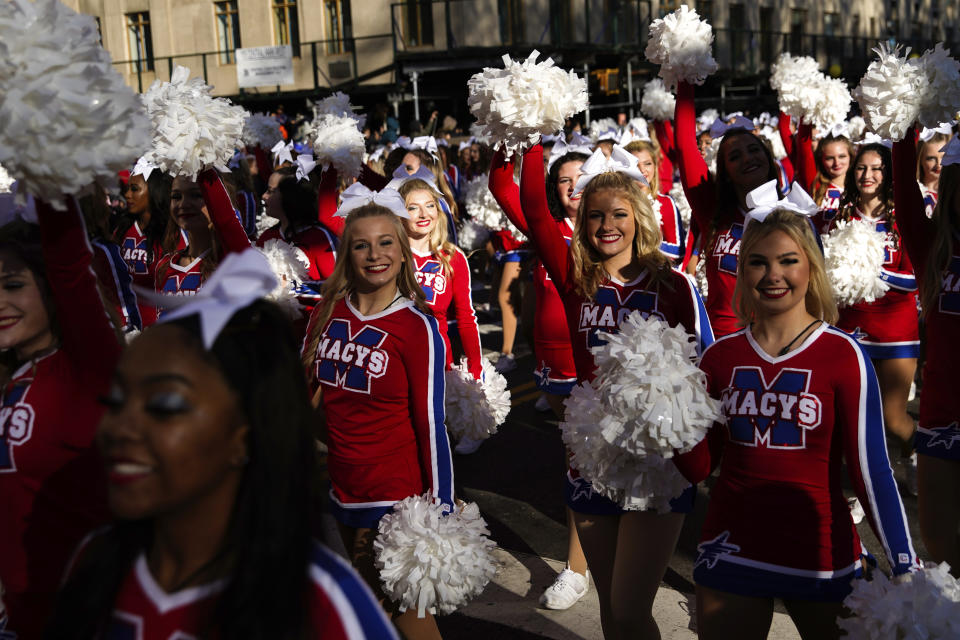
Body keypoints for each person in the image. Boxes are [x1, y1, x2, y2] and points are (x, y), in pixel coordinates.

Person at [48, 253, 397, 639]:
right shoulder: (95, 562)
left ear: (244, 432)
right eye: (115, 401)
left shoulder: (321, 605)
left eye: (164, 405)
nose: (119, 428)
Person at [674, 208, 918, 640]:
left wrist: (904, 563)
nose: (773, 274)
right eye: (758, 261)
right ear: (742, 270)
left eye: (788, 260)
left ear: (811, 268)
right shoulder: (719, 357)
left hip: (821, 554)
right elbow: (697, 469)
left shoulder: (843, 354)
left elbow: (871, 470)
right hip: (732, 547)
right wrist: (667, 416)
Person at [519, 141, 712, 639]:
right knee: (613, 612)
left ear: (639, 218)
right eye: (595, 215)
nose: (607, 224)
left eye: (619, 214)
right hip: (593, 456)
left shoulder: (674, 286)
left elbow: (704, 370)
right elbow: (534, 210)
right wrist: (528, 135)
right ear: (582, 224)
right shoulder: (575, 277)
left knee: (628, 608)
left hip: (656, 462)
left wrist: (700, 457)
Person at [302, 195, 453, 640]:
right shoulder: (326, 312)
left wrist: (440, 505)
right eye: (362, 246)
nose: (375, 255)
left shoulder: (415, 325)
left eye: (386, 243)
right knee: (383, 615)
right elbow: (305, 399)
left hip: (393, 495)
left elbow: (430, 422)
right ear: (346, 254)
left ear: (403, 251)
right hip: (344, 486)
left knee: (397, 617)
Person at [0, 196, 118, 639]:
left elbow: (70, 262)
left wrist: (51, 160)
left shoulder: (86, 369)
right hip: (20, 616)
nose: (0, 301)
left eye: (13, 285)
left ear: (50, 289)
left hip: (82, 615)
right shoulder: (15, 377)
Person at [489, 147, 592, 609]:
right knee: (578, 465)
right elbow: (502, 188)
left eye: (582, 177)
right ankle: (593, 552)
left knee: (582, 467)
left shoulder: (610, 230)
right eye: (564, 180)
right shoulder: (549, 231)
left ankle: (578, 568)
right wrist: (515, 134)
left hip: (593, 368)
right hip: (552, 371)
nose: (574, 186)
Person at [831, 143, 919, 490]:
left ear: (890, 174)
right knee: (848, 416)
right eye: (861, 169)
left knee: (892, 417)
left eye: (877, 168)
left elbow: (914, 278)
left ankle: (914, 454)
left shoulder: (904, 217)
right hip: (850, 328)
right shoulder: (840, 214)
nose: (868, 176)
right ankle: (855, 490)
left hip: (896, 331)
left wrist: (872, 272)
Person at [893, 132, 960, 574]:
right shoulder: (934, 248)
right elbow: (903, 187)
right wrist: (905, 113)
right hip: (941, 416)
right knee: (942, 557)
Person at [674, 81, 783, 336]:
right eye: (734, 157)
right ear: (725, 173)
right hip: (721, 344)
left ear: (767, 158)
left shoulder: (793, 215)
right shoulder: (713, 211)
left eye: (754, 150)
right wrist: (684, 75)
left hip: (778, 345)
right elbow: (685, 145)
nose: (747, 158)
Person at [155, 169, 250, 297]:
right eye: (176, 197)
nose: (183, 204)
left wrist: (202, 157)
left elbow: (227, 221)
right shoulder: (164, 266)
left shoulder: (233, 258)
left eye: (196, 195)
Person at [257, 165, 338, 283]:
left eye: (270, 191)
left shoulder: (319, 238)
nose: (264, 196)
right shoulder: (266, 237)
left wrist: (289, 290)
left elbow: (338, 289)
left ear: (289, 196)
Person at [114, 169, 175, 326]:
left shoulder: (170, 233)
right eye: (127, 189)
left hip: (158, 325)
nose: (127, 195)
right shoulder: (121, 229)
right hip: (124, 321)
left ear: (154, 191)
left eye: (135, 189)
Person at [624, 139, 688, 267]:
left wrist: (646, 242)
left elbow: (679, 253)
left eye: (647, 163)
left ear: (655, 166)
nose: (642, 170)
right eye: (635, 165)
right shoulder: (617, 203)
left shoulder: (665, 203)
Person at [795, 127, 853, 233]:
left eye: (842, 156)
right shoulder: (816, 184)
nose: (837, 163)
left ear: (851, 156)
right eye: (829, 158)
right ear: (821, 159)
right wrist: (806, 113)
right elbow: (804, 146)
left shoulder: (860, 188)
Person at [917, 130, 952, 218]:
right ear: (920, 159)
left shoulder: (954, 193)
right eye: (931, 158)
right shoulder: (910, 193)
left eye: (944, 157)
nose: (939, 164)